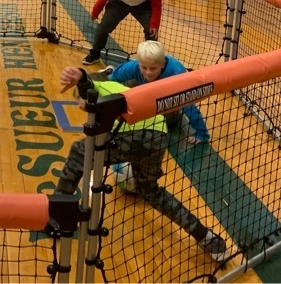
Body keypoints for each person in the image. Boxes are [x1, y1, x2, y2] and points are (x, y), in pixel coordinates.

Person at [52, 66, 231, 262]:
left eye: (78, 100)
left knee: (79, 151)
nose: (80, 104)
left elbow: (89, 87)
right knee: (150, 191)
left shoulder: (99, 90)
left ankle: (56, 217)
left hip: (137, 137)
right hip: (158, 137)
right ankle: (207, 238)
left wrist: (81, 77)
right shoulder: (116, 86)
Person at [101, 40, 209, 144]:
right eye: (144, 67)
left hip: (167, 97)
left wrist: (201, 134)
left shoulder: (176, 73)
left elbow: (188, 104)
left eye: (153, 68)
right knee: (123, 84)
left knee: (163, 123)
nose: (148, 72)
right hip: (142, 86)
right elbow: (113, 80)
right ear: (139, 63)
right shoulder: (134, 67)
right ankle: (111, 70)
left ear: (162, 64)